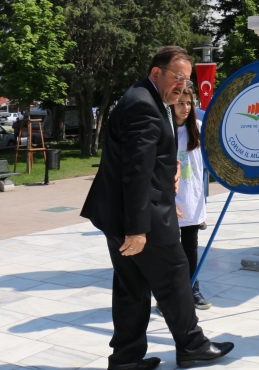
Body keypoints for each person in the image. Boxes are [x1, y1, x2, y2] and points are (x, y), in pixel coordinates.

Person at [80, 46, 233, 370]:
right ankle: (192, 346)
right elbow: (135, 172)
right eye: (177, 77)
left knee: (131, 288)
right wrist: (137, 229)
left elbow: (143, 160)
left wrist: (170, 171)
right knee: (176, 275)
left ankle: (125, 359)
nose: (182, 85)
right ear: (156, 73)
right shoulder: (143, 106)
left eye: (186, 80)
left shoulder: (142, 98)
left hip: (120, 213)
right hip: (142, 217)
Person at [172, 87, 211, 310]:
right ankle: (169, 294)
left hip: (192, 197)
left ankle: (193, 288)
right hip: (170, 198)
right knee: (170, 249)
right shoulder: (165, 130)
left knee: (190, 246)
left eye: (189, 103)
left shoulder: (197, 128)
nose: (185, 108)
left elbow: (206, 162)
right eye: (180, 103)